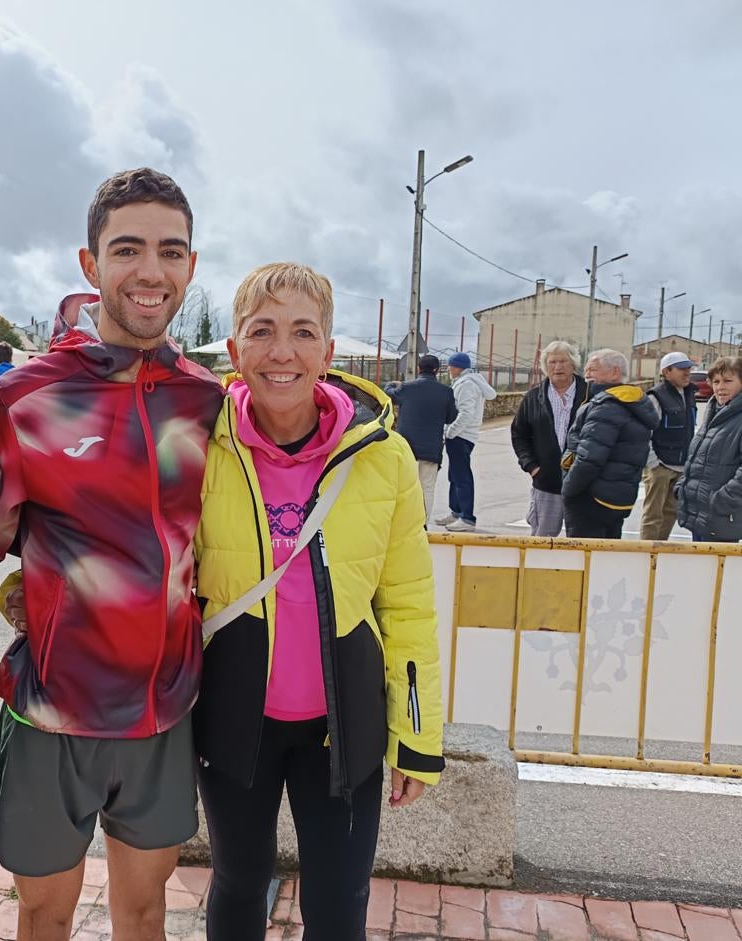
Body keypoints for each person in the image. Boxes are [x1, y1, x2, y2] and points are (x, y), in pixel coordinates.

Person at [0, 168, 224, 941]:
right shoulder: (25, 397)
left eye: (170, 251)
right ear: (90, 266)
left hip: (164, 712)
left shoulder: (209, 400)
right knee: (44, 915)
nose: (150, 271)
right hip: (54, 713)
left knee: (146, 913)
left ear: (189, 265)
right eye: (127, 249)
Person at [192, 262, 442, 941]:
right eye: (262, 331)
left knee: (338, 900)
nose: (282, 352)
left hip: (345, 721)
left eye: (303, 332)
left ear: (328, 353)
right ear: (235, 349)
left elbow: (408, 602)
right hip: (233, 716)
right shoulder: (199, 444)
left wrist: (416, 737)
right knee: (238, 884)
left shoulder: (383, 456)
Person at [560, 349, 658, 539]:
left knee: (585, 560)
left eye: (593, 370)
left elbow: (589, 457)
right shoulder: (632, 403)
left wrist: (568, 490)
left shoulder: (606, 406)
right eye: (586, 370)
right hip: (617, 499)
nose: (587, 375)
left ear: (615, 372)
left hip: (592, 499)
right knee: (607, 558)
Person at [677, 357, 742, 543]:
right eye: (716, 381)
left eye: (728, 381)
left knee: (715, 571)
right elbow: (698, 456)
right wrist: (683, 487)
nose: (720, 387)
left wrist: (720, 501)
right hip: (700, 516)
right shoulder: (715, 410)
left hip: (722, 518)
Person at [510, 340, 587, 536]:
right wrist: (531, 466)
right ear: (545, 366)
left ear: (573, 364)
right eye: (552, 362)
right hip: (547, 482)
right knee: (542, 540)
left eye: (563, 361)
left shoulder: (590, 394)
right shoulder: (534, 397)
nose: (558, 367)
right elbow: (519, 433)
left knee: (582, 541)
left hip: (584, 483)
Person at [383, 353, 457, 519]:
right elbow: (451, 417)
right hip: (431, 449)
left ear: (418, 368)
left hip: (405, 447)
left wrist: (391, 384)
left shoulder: (407, 388)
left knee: (402, 487)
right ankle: (423, 525)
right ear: (437, 370)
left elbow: (388, 395)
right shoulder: (446, 392)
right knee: (427, 488)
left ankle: (402, 522)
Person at [639, 352, 698, 541]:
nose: (687, 372)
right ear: (667, 371)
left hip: (681, 466)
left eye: (688, 368)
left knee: (671, 513)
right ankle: (646, 556)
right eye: (682, 368)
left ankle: (659, 550)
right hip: (660, 466)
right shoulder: (655, 397)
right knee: (653, 515)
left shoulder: (689, 394)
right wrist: (654, 463)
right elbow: (645, 433)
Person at [436, 352, 496, 531]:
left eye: (450, 366)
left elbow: (466, 413)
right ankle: (456, 512)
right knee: (454, 475)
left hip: (461, 436)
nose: (448, 370)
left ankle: (467, 518)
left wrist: (451, 432)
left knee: (461, 477)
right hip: (462, 435)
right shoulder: (468, 382)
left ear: (457, 367)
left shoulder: (466, 385)